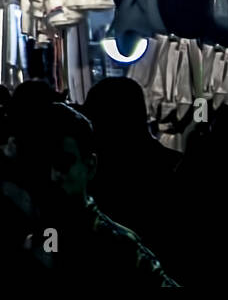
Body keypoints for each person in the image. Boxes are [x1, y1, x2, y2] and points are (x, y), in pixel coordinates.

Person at [31, 103, 176, 286]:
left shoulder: (120, 249)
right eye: (43, 163)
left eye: (63, 163)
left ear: (90, 165)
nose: (53, 176)